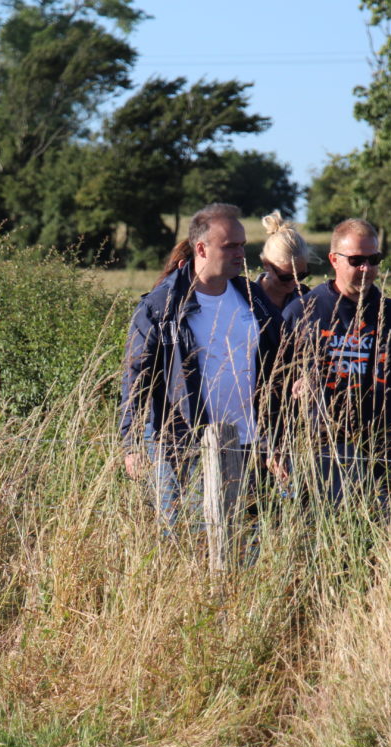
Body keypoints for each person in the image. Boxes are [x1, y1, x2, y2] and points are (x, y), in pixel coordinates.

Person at [120, 203, 281, 528]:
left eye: (242, 244)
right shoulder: (160, 307)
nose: (241, 253)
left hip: (249, 448)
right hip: (181, 450)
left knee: (248, 548)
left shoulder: (255, 300)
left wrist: (277, 438)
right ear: (202, 248)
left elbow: (279, 368)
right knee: (184, 549)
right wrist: (132, 445)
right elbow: (134, 381)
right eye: (231, 246)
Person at [280, 217, 391, 501]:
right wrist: (273, 444)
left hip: (378, 451)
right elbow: (275, 381)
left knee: (376, 533)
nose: (366, 268)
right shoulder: (303, 312)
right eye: (356, 260)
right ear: (334, 260)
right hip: (318, 451)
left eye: (373, 259)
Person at [255, 210, 312, 317]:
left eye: (301, 275)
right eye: (286, 277)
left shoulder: (306, 299)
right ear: (266, 264)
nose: (294, 283)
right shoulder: (247, 299)